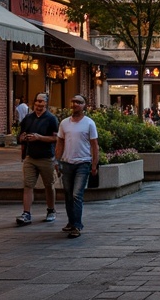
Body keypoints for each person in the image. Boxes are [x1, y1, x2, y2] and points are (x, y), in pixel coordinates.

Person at [55, 94, 99, 239]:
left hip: (83, 162)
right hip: (67, 163)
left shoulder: (89, 123)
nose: (75, 104)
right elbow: (60, 142)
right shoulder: (64, 123)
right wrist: (57, 160)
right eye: (73, 101)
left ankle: (77, 225)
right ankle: (71, 222)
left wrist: (94, 164)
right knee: (68, 195)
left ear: (84, 105)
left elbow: (94, 145)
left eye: (79, 102)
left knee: (76, 195)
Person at [16, 93, 59, 227]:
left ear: (46, 103)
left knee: (49, 185)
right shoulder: (28, 118)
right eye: (37, 101)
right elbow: (20, 136)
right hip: (30, 157)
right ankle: (26, 213)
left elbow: (56, 138)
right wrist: (22, 139)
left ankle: (51, 210)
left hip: (46, 157)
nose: (39, 104)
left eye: (42, 101)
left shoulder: (51, 119)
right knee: (28, 185)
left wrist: (39, 137)